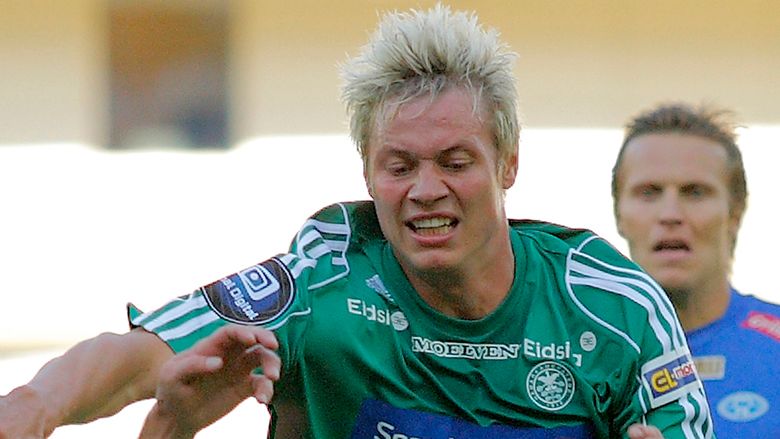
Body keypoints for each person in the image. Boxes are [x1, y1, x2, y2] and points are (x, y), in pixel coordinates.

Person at [1, 5, 710, 439]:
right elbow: (142, 354)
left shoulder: (614, 307)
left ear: (509, 165)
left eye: (455, 161)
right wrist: (36, 404)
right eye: (399, 166)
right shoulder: (326, 274)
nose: (425, 191)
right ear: (367, 174)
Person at [611, 102, 780, 437]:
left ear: (735, 213)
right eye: (649, 192)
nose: (670, 214)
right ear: (619, 214)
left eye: (695, 192)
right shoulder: (573, 352)